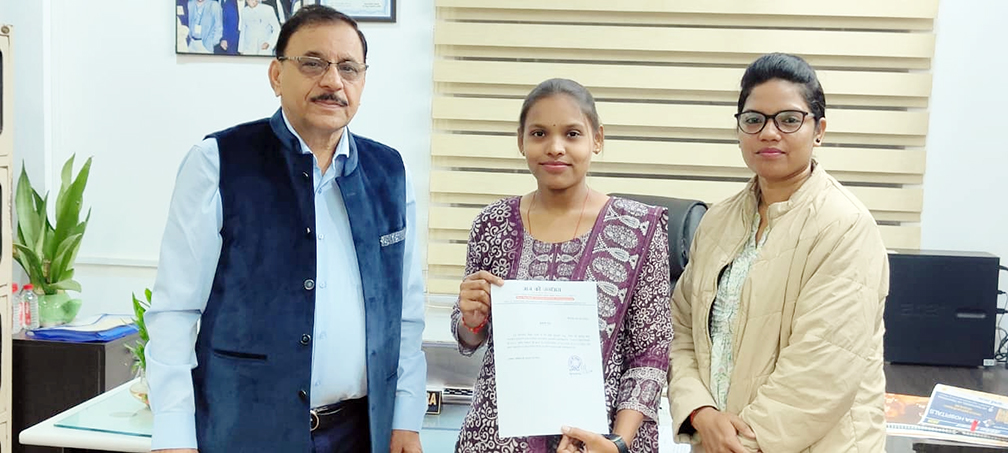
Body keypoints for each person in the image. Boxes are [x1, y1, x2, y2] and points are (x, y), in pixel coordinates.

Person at [146, 5, 426, 453]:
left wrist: (405, 419)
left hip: (359, 434)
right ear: (277, 75)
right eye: (313, 63)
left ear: (362, 81)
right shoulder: (218, 162)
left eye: (348, 68)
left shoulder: (389, 172)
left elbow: (405, 315)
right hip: (244, 433)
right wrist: (173, 436)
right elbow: (175, 313)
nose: (333, 81)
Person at [667, 53, 889, 452]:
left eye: (789, 120)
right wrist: (700, 412)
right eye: (754, 120)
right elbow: (680, 328)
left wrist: (735, 443)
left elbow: (821, 371)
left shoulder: (845, 226)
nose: (769, 133)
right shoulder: (716, 222)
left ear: (818, 130)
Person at [452, 78, 672, 453]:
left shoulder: (639, 228)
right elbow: (470, 338)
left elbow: (650, 354)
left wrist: (618, 443)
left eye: (572, 134)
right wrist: (471, 320)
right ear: (521, 141)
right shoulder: (492, 223)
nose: (555, 147)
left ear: (597, 139)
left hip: (597, 441)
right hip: (497, 436)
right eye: (539, 133)